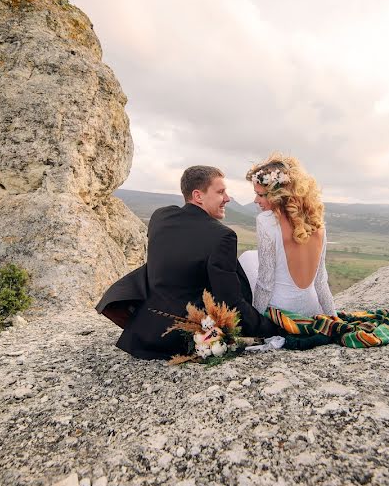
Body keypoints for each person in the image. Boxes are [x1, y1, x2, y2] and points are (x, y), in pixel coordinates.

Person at [95, 165, 279, 359]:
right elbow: (230, 302)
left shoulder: (160, 217)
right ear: (198, 196)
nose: (227, 198)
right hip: (184, 338)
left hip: (144, 331)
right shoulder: (222, 236)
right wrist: (271, 328)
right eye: (220, 192)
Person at [240, 154, 336, 318]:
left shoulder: (266, 221)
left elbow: (265, 283)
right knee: (253, 256)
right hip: (312, 310)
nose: (256, 200)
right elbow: (321, 283)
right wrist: (334, 318)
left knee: (247, 258)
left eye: (261, 195)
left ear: (279, 194)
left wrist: (255, 322)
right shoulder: (317, 223)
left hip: (282, 312)